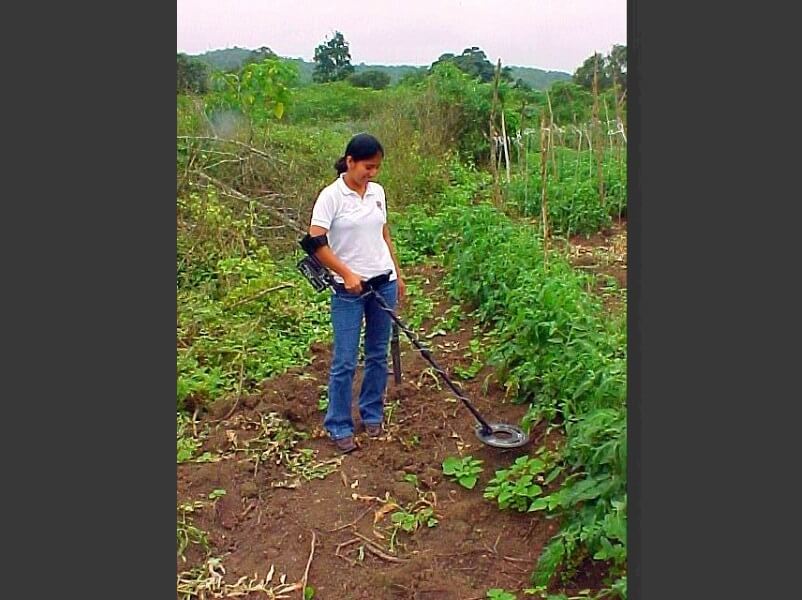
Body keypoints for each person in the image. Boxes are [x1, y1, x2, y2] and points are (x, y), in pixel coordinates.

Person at [305, 133, 406, 453]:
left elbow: (384, 234)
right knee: (345, 359)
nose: (372, 173)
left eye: (377, 167)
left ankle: (372, 414)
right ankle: (338, 424)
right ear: (350, 161)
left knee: (378, 354)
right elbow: (314, 242)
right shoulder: (331, 197)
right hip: (348, 290)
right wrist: (346, 272)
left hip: (383, 282)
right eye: (367, 166)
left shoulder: (377, 192)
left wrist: (397, 274)